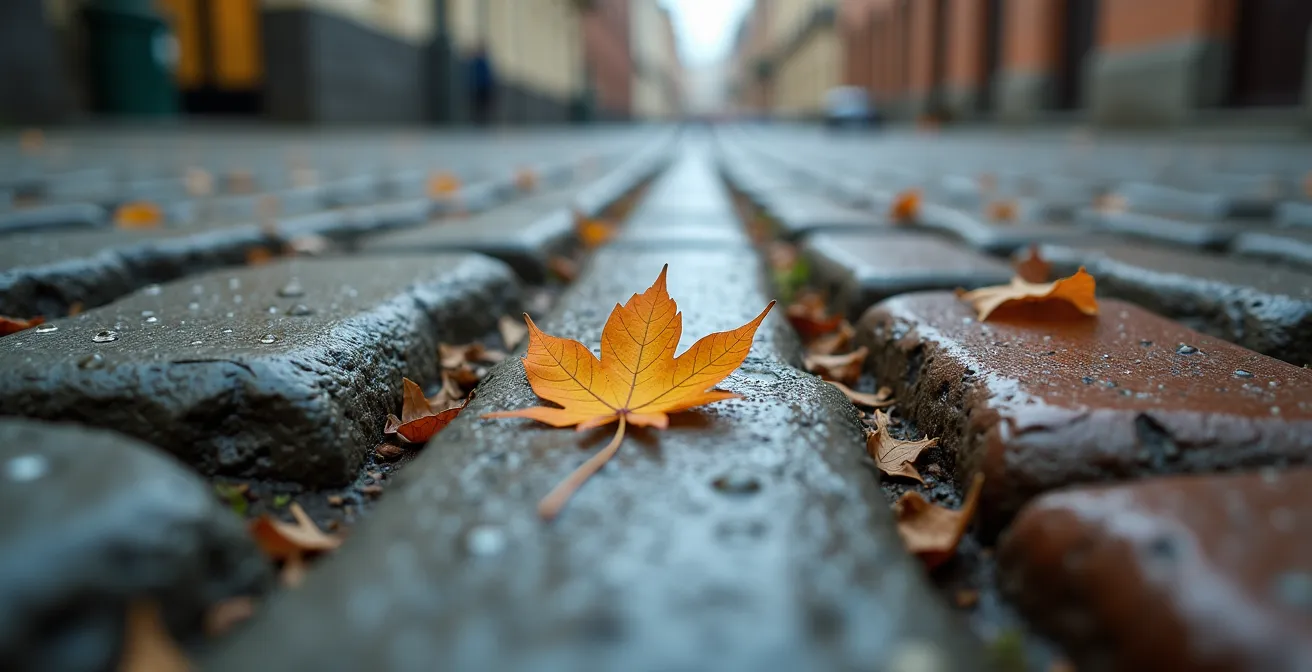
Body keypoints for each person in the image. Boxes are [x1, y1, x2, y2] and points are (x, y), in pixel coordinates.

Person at [469, 45, 496, 125]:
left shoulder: (485, 62)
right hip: (477, 87)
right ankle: (477, 120)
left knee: (485, 105)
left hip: (485, 87)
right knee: (477, 105)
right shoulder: (476, 63)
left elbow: (489, 76)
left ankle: (484, 120)